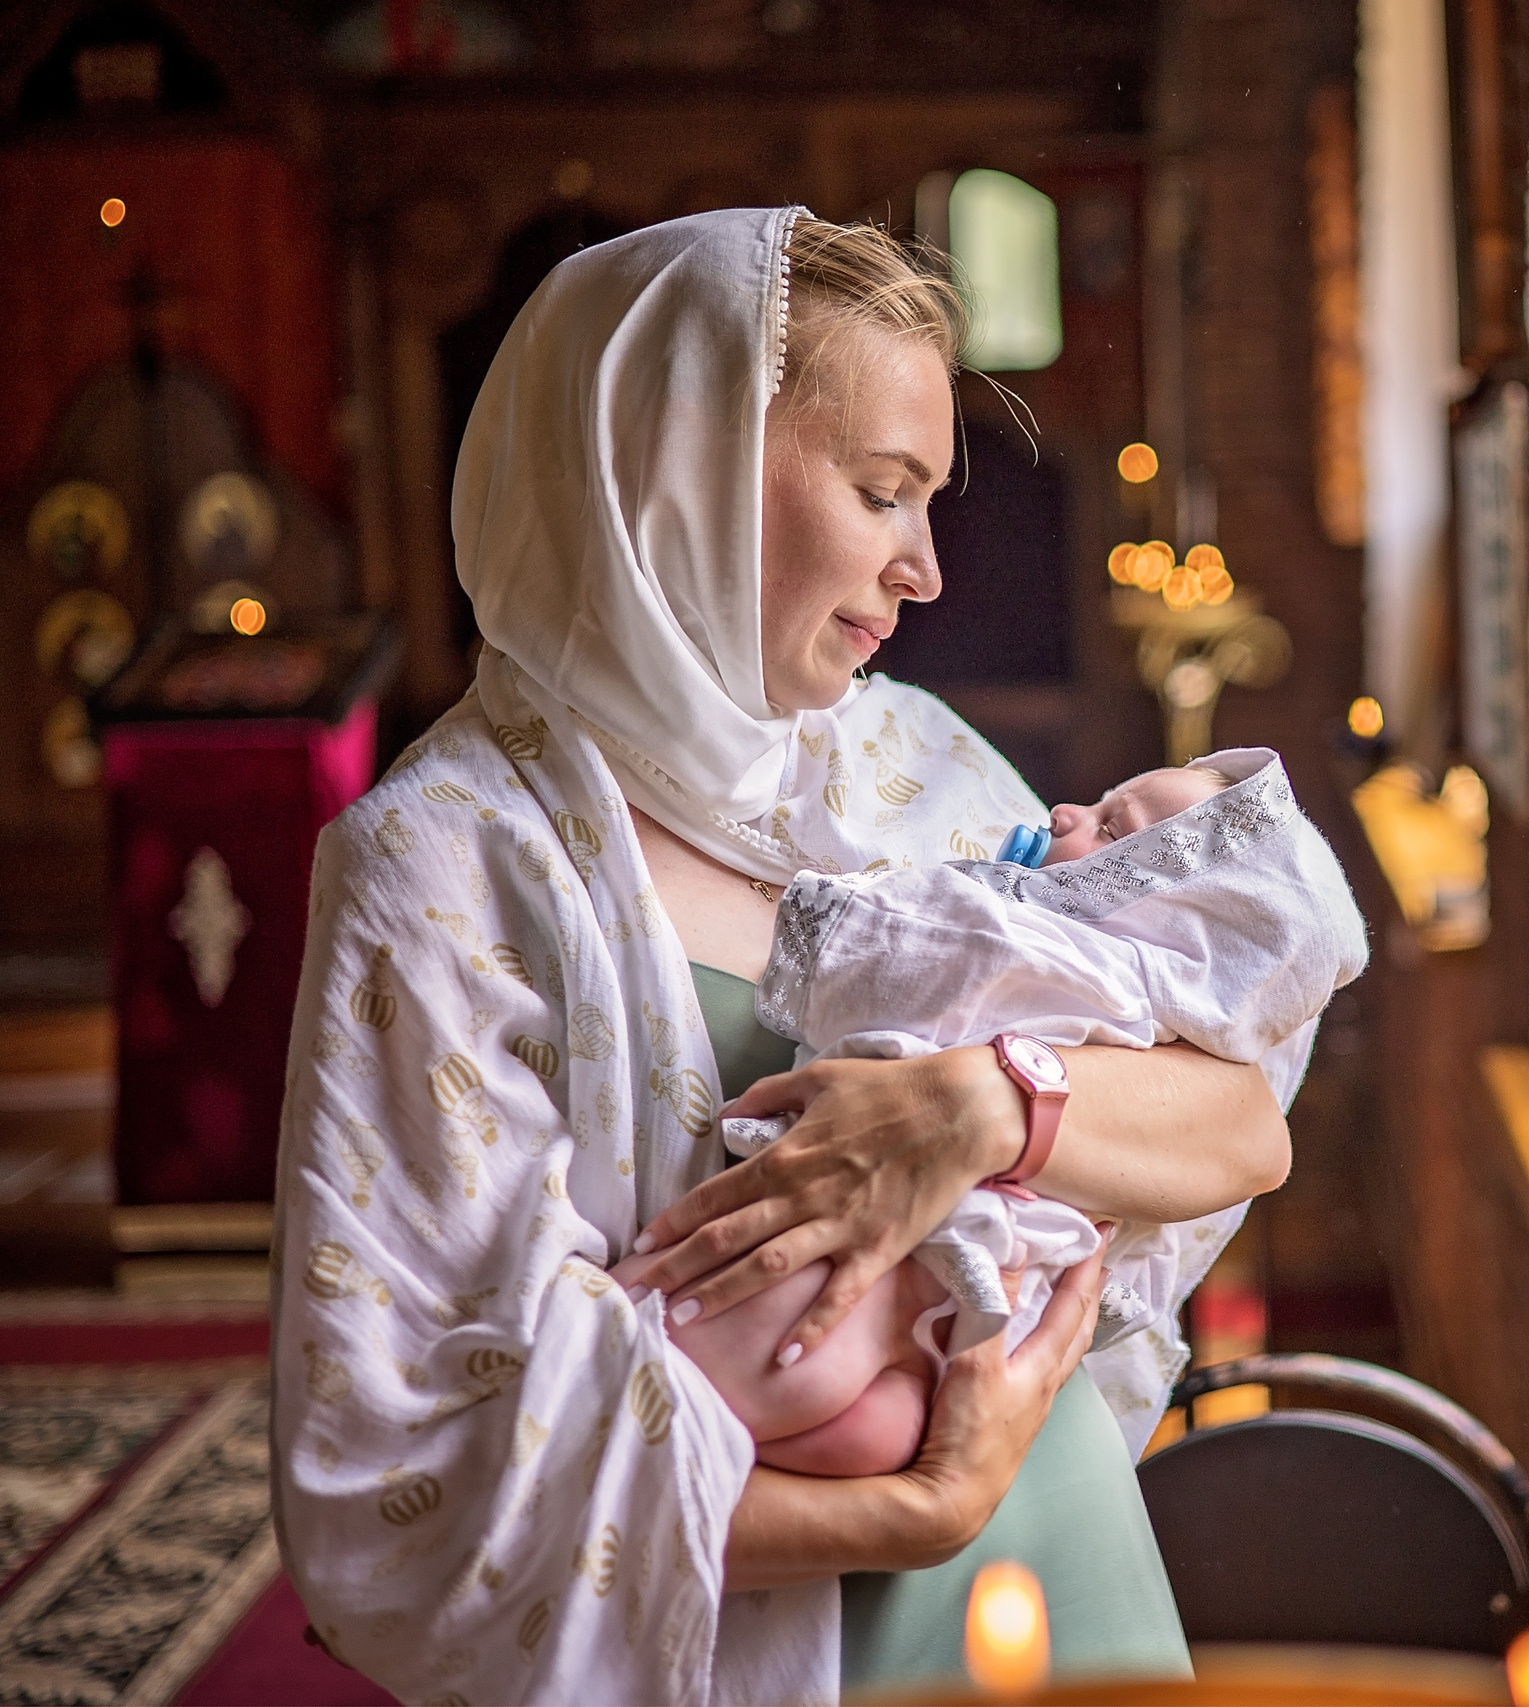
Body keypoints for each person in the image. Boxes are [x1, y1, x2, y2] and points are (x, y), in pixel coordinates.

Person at [271, 208, 1296, 1705]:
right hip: (768, 1620)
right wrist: (918, 1508)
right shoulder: (442, 864)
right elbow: (407, 1461)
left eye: (931, 499)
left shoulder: (922, 774)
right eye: (884, 491)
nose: (926, 566)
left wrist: (981, 1109)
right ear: (675, 467)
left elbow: (1238, 1115)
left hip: (1064, 1566)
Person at [641, 746, 1366, 1478]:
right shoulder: (1140, 1009)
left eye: (1112, 827)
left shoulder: (1062, 954)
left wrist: (979, 1092)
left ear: (1182, 927)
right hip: (973, 1322)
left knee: (695, 1352)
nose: (1060, 813)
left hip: (906, 1283)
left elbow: (1258, 1138)